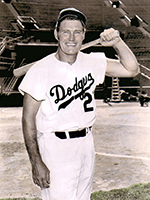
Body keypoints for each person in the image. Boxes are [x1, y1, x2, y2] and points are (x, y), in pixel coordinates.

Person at [19, 7, 139, 200]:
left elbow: (131, 70)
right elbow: (27, 120)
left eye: (77, 32)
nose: (71, 38)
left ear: (84, 35)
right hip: (55, 147)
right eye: (66, 31)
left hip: (86, 142)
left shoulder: (92, 62)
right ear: (56, 34)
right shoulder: (41, 70)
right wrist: (36, 162)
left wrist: (117, 43)